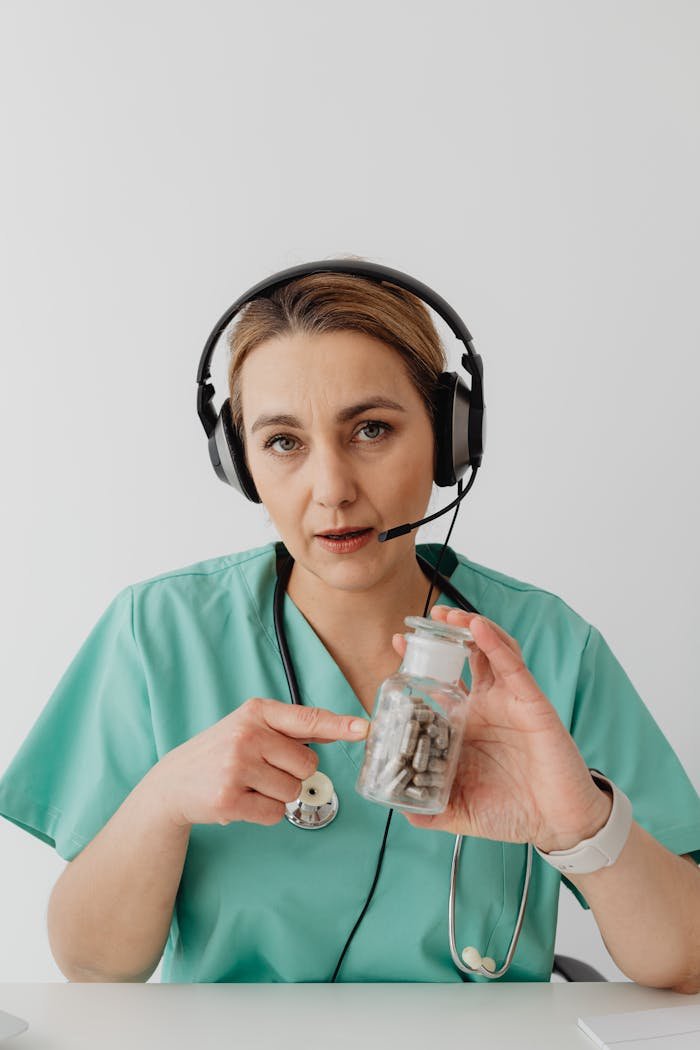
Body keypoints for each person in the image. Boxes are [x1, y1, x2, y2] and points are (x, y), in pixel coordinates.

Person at [1, 267, 699, 990]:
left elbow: (690, 960)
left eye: (372, 430)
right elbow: (91, 966)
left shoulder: (547, 646)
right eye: (282, 442)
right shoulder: (158, 633)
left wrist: (582, 826)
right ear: (238, 462)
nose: (331, 489)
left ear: (450, 439)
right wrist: (164, 799)